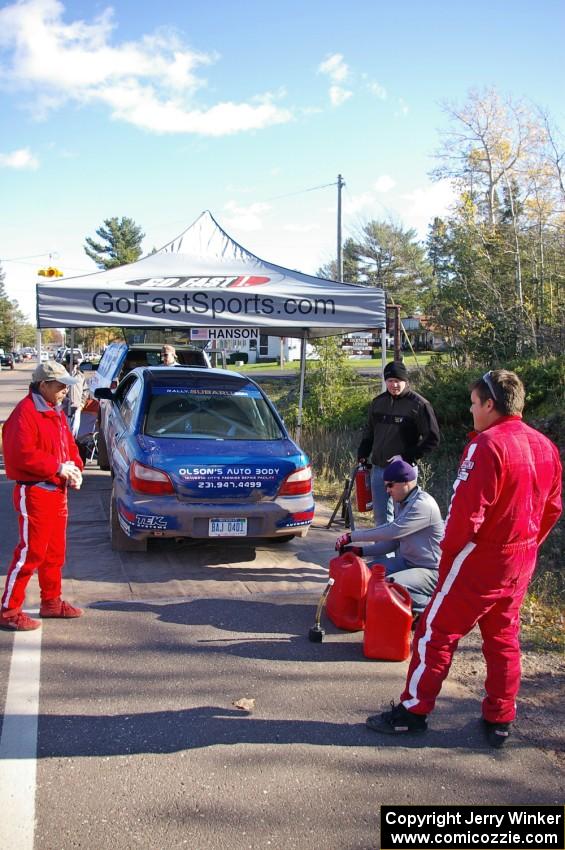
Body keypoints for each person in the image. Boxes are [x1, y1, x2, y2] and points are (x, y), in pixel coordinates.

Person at [365, 369, 562, 747]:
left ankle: (413, 712)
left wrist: (447, 562)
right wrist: (529, 547)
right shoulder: (546, 446)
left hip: (480, 559)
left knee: (434, 634)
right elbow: (552, 509)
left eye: (474, 404)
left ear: (490, 404)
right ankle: (500, 717)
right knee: (504, 639)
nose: (471, 411)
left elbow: (465, 515)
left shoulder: (486, 446)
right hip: (520, 560)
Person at [0, 361, 85, 631]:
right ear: (43, 385)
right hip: (35, 491)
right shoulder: (25, 413)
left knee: (54, 553)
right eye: (59, 386)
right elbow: (20, 454)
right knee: (30, 553)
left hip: (55, 490)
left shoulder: (52, 410)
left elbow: (67, 444)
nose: (64, 391)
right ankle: (9, 610)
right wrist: (58, 468)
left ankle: (51, 601)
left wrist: (75, 467)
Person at [335, 459, 443, 615]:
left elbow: (393, 531)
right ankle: (408, 608)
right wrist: (360, 551)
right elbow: (392, 543)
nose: (387, 490)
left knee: (387, 585)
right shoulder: (402, 502)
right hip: (408, 563)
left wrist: (352, 536)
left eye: (390, 485)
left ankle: (433, 609)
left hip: (431, 571)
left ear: (405, 482)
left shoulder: (422, 504)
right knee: (368, 574)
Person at [357, 361, 440, 525]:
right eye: (390, 381)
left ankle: (403, 552)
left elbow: (432, 438)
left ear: (405, 381)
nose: (394, 384)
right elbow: (370, 432)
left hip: (403, 473)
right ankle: (383, 552)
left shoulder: (419, 404)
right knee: (381, 519)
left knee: (403, 520)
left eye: (398, 380)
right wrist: (363, 453)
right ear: (385, 381)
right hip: (379, 470)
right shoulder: (378, 402)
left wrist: (405, 457)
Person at [63, 353, 87, 437]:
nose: (73, 366)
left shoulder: (81, 376)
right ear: (66, 364)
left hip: (77, 409)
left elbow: (85, 390)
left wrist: (81, 404)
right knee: (64, 435)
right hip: (64, 411)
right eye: (71, 363)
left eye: (75, 364)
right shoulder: (61, 376)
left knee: (74, 433)